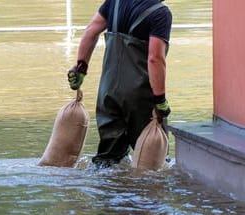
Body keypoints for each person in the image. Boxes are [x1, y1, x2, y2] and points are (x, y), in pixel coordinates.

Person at [68, 0, 172, 168]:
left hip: (108, 94)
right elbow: (155, 58)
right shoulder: (160, 13)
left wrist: (81, 68)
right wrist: (160, 101)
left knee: (108, 161)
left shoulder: (114, 2)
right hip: (140, 98)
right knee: (155, 163)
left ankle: (105, 191)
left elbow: (90, 31)